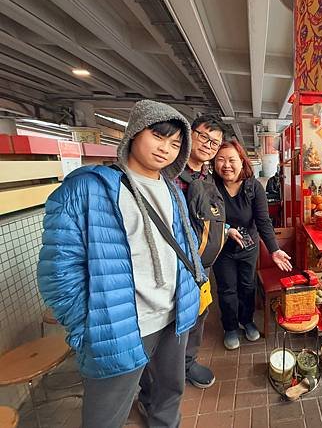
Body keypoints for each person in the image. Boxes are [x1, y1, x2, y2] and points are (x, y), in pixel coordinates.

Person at [37, 100, 205, 428]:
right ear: (134, 133)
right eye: (158, 136)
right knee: (107, 412)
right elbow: (57, 270)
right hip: (118, 323)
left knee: (169, 391)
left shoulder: (173, 191)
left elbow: (183, 246)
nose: (166, 149)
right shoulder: (89, 188)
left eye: (175, 144)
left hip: (174, 316)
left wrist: (191, 295)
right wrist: (85, 324)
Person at [212, 140, 293, 350]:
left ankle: (246, 321)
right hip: (222, 250)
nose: (226, 165)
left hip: (249, 248)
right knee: (227, 289)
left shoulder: (253, 186)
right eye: (220, 160)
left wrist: (274, 249)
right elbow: (205, 218)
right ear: (214, 163)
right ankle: (230, 327)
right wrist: (226, 229)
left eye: (231, 159)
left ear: (242, 161)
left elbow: (263, 221)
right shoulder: (211, 187)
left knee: (247, 287)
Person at [173, 115, 226, 389]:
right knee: (173, 319)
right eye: (204, 137)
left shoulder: (205, 176)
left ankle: (187, 364)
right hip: (174, 263)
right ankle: (165, 375)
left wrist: (225, 230)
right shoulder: (168, 172)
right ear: (189, 135)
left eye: (214, 142)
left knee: (199, 312)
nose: (208, 145)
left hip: (201, 265)